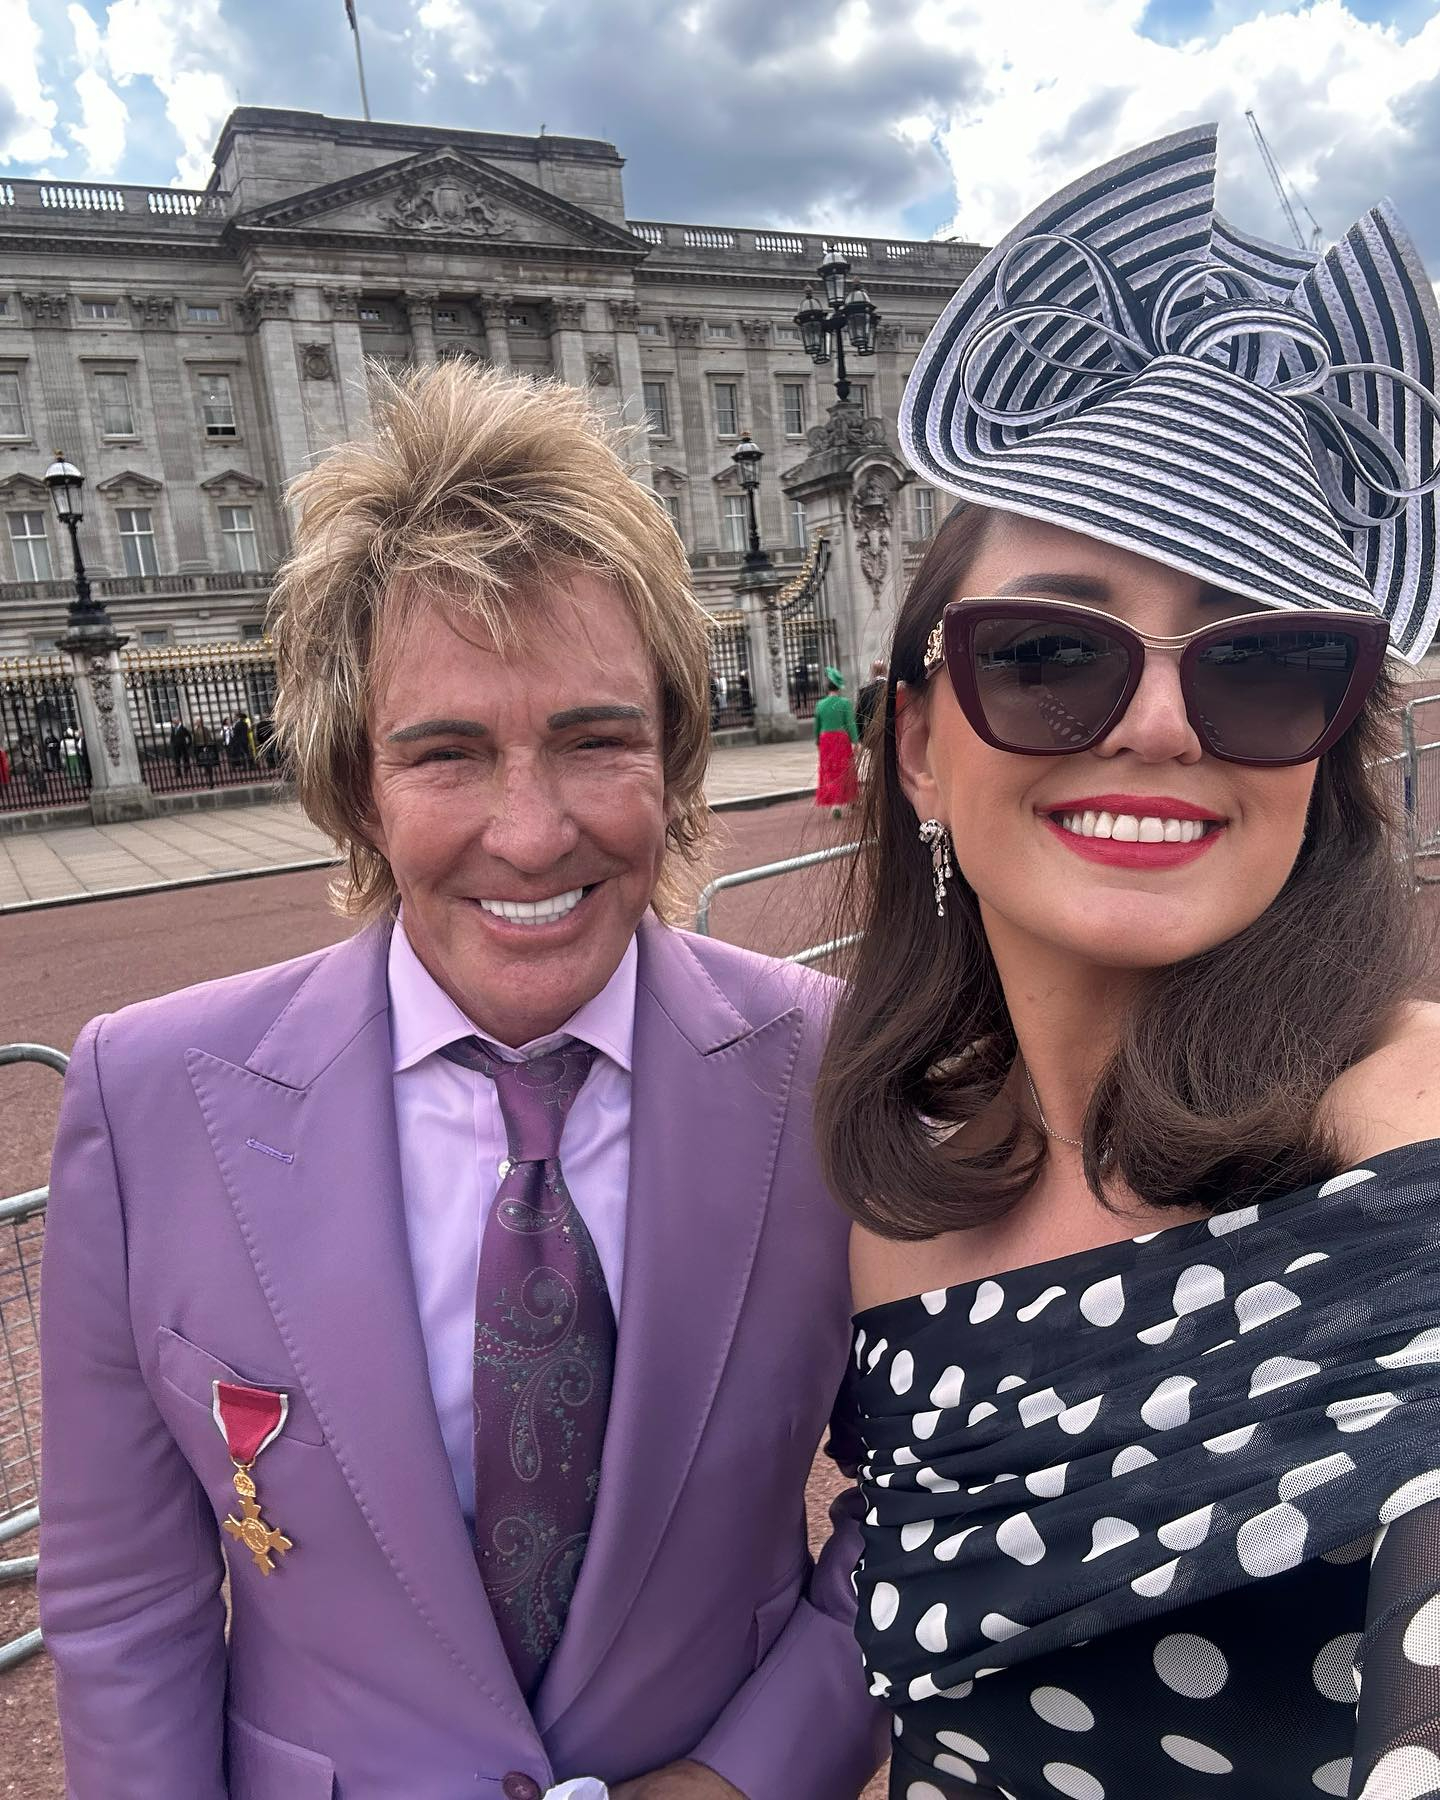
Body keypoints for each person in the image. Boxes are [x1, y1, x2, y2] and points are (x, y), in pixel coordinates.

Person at [40, 361, 886, 1800]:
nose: (530, 830)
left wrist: (751, 1773)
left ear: (675, 752)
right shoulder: (151, 1094)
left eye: (593, 739)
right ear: (354, 783)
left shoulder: (835, 1070)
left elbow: (939, 1487)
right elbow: (128, 1604)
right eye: (445, 754)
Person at [816, 125, 1440, 1798]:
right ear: (921, 750)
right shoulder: (902, 1208)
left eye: (1265, 662)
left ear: (1321, 752)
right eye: (1045, 651)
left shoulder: (1409, 1116)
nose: (1160, 723)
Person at [814, 667, 859, 818]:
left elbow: (817, 726)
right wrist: (855, 741)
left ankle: (835, 804)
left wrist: (817, 742)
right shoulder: (844, 703)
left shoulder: (820, 705)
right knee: (845, 769)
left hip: (826, 739)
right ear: (839, 687)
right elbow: (850, 724)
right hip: (840, 739)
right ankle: (851, 799)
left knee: (830, 771)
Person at [854, 660, 888, 743]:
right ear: (886, 671)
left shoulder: (864, 692)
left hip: (873, 737)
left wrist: (862, 739)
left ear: (872, 672)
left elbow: (859, 719)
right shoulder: (895, 689)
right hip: (893, 736)